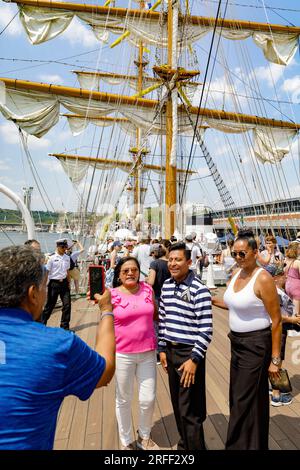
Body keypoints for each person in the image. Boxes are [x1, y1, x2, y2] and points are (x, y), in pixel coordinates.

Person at [0, 245, 115, 450]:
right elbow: (104, 372)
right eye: (44, 287)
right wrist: (106, 310)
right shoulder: (56, 345)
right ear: (33, 294)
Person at [212, 229, 282, 450]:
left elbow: (277, 320)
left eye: (242, 254)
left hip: (256, 346)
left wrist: (275, 359)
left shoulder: (263, 278)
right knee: (243, 398)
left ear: (254, 252)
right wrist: (210, 299)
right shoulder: (237, 274)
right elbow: (233, 303)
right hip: (237, 343)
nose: (238, 258)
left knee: (242, 400)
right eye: (235, 254)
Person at [158, 242, 213, 450]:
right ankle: (184, 446)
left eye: (178, 259)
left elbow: (206, 329)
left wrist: (194, 359)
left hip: (189, 354)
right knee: (178, 405)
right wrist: (162, 348)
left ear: (189, 262)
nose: (173, 263)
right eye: (170, 259)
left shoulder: (199, 289)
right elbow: (163, 318)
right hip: (171, 352)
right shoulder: (167, 285)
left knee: (190, 410)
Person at [109, 257, 159, 450]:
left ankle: (144, 435)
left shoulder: (148, 289)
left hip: (148, 352)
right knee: (123, 398)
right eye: (126, 270)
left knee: (148, 398)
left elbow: (155, 315)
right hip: (123, 354)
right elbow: (105, 325)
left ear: (139, 272)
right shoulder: (111, 295)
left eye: (134, 270)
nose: (131, 273)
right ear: (119, 274)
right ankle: (126, 439)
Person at [41, 239, 72, 331]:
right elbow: (47, 272)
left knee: (67, 305)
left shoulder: (67, 258)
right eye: (62, 247)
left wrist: (69, 283)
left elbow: (67, 271)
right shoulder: (51, 258)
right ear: (58, 247)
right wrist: (44, 285)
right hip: (54, 284)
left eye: (65, 247)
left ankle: (65, 327)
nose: (64, 249)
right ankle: (41, 325)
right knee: (49, 306)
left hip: (64, 284)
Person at [284, 242, 300, 316]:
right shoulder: (297, 262)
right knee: (296, 313)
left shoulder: (286, 260)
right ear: (296, 250)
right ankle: (295, 326)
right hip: (297, 287)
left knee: (290, 309)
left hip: (288, 285)